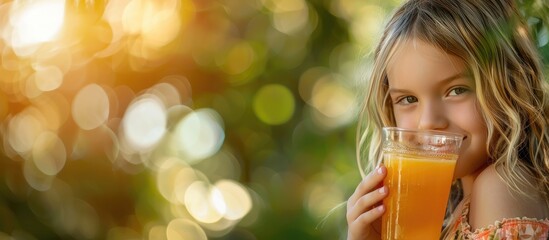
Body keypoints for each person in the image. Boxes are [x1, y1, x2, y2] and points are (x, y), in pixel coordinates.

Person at [346, 0, 549, 239]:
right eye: (409, 99)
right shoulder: (454, 208)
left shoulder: (499, 187)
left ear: (511, 85)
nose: (428, 122)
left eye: (456, 90)